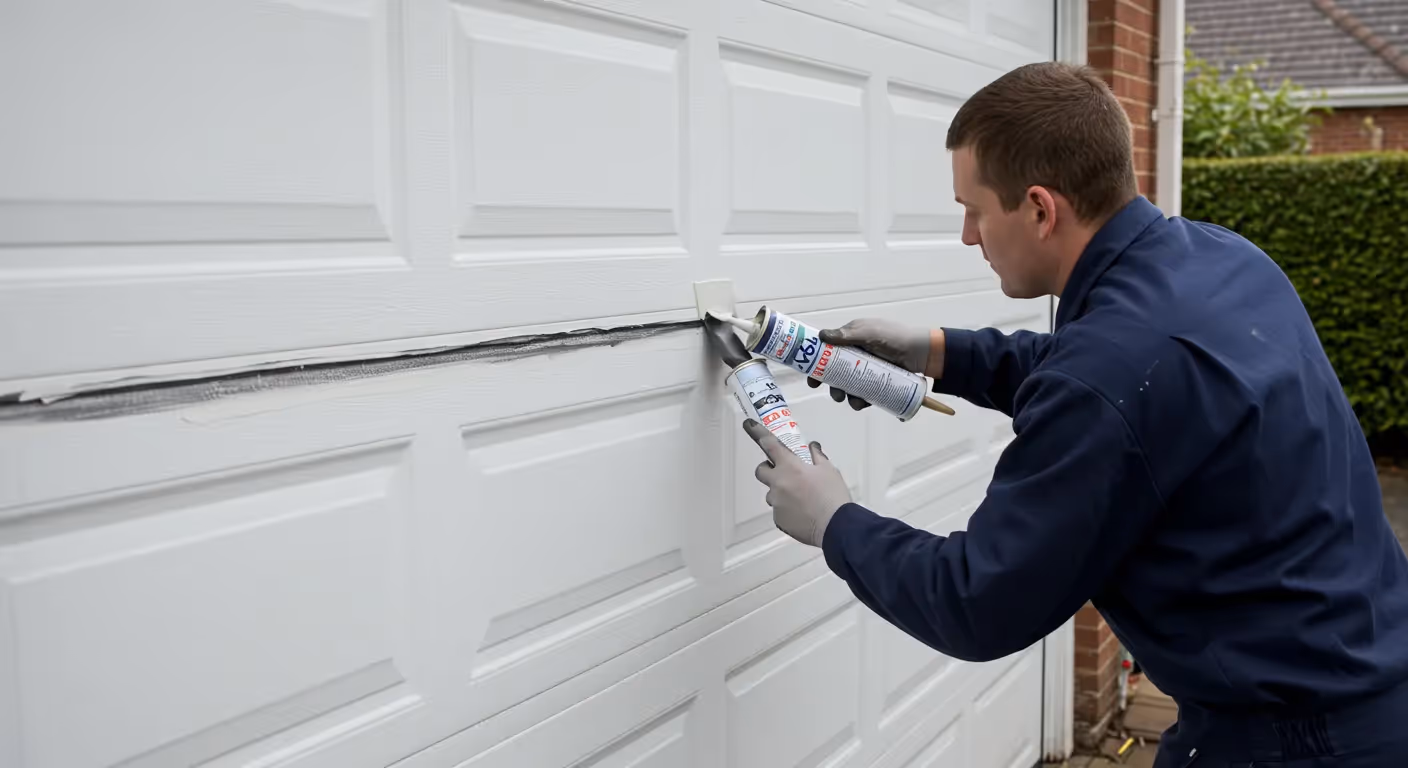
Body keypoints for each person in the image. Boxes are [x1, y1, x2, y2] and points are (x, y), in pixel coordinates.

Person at [742, 62, 1408, 767]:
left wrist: (835, 522)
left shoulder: (1110, 374)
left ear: (1038, 208)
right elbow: (1126, 379)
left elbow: (978, 601)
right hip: (1369, 680)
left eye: (974, 208)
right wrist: (939, 351)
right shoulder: (1225, 260)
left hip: (1295, 743)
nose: (968, 235)